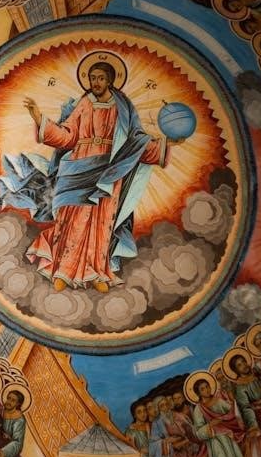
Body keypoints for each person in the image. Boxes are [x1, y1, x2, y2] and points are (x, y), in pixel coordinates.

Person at [22, 55, 175, 292]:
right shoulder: (84, 104)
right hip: (80, 166)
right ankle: (62, 270)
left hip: (110, 170)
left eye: (101, 78)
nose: (96, 82)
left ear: (110, 80)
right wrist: (39, 118)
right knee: (73, 220)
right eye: (92, 78)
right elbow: (67, 136)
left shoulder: (123, 108)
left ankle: (96, 273)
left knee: (102, 222)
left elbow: (136, 140)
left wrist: (167, 144)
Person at [186, 372, 258, 457]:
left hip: (229, 439)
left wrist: (231, 405)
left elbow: (232, 413)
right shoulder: (199, 409)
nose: (206, 390)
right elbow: (198, 433)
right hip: (216, 444)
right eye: (202, 389)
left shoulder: (218, 401)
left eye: (207, 387)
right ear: (198, 393)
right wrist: (210, 425)